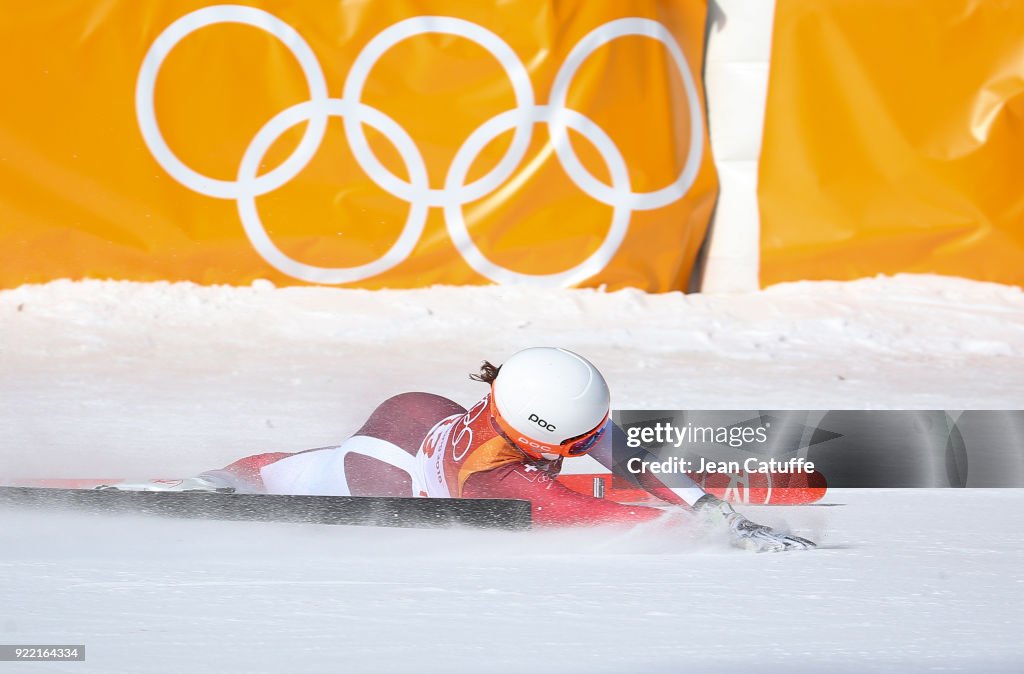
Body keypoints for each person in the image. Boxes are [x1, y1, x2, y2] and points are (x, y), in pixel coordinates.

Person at [123, 347, 815, 552]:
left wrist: (712, 509)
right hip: (388, 475)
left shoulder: (531, 404)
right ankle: (202, 485)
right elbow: (584, 514)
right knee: (326, 475)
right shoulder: (498, 480)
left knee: (311, 463)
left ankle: (233, 474)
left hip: (421, 415)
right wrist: (712, 528)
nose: (594, 443)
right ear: (550, 433)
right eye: (580, 439)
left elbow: (628, 455)